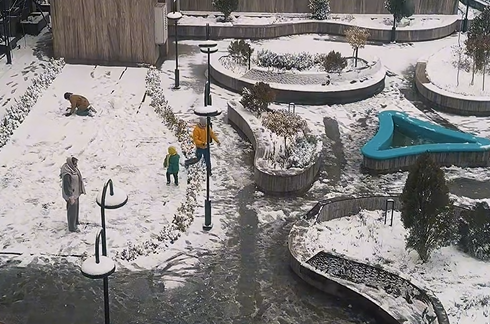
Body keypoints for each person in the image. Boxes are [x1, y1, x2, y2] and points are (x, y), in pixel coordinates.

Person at [60, 156, 86, 232]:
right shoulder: (67, 173)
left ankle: (75, 221)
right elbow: (67, 186)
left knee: (75, 209)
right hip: (71, 195)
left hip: (76, 193)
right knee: (72, 210)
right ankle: (72, 227)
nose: (76, 165)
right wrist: (70, 196)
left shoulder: (73, 169)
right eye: (74, 163)